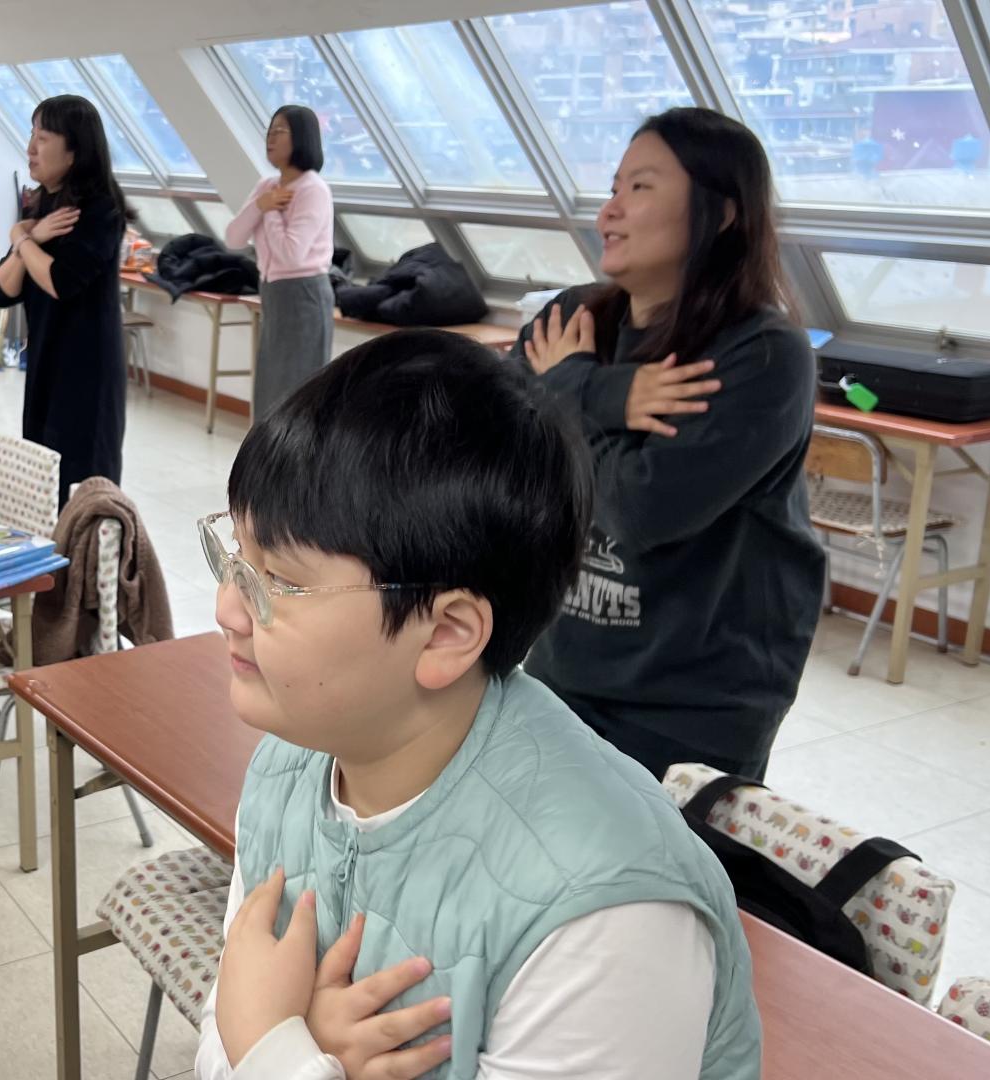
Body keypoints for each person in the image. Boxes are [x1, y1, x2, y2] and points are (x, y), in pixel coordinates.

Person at [193, 331, 760, 1080]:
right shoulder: (292, 758)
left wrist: (281, 1046)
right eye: (237, 556)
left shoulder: (602, 913)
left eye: (282, 581)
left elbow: (245, 1026)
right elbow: (225, 1026)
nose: (227, 607)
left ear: (447, 634)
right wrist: (295, 1046)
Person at [514, 107, 823, 782]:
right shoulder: (574, 319)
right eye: (613, 187)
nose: (609, 211)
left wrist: (567, 387)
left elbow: (640, 509)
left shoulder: (762, 353)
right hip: (563, 664)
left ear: (722, 212)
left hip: (693, 704)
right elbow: (503, 434)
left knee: (651, 855)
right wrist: (608, 394)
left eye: (640, 187)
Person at [0, 94, 128, 504]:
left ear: (74, 151)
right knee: (44, 476)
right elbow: (1, 290)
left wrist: (22, 238)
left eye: (43, 137)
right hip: (45, 361)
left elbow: (60, 282)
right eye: (32, 135)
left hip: (86, 372)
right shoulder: (41, 203)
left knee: (83, 484)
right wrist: (28, 236)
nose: (31, 148)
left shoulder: (100, 209)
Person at [225, 105, 334, 422]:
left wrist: (270, 212)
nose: (270, 138)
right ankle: (265, 452)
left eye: (280, 131)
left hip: (304, 294)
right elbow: (233, 237)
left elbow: (291, 254)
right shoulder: (267, 186)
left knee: (297, 393)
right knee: (270, 390)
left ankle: (295, 456)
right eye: (269, 131)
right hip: (273, 293)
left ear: (301, 137)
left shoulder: (313, 189)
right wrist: (261, 205)